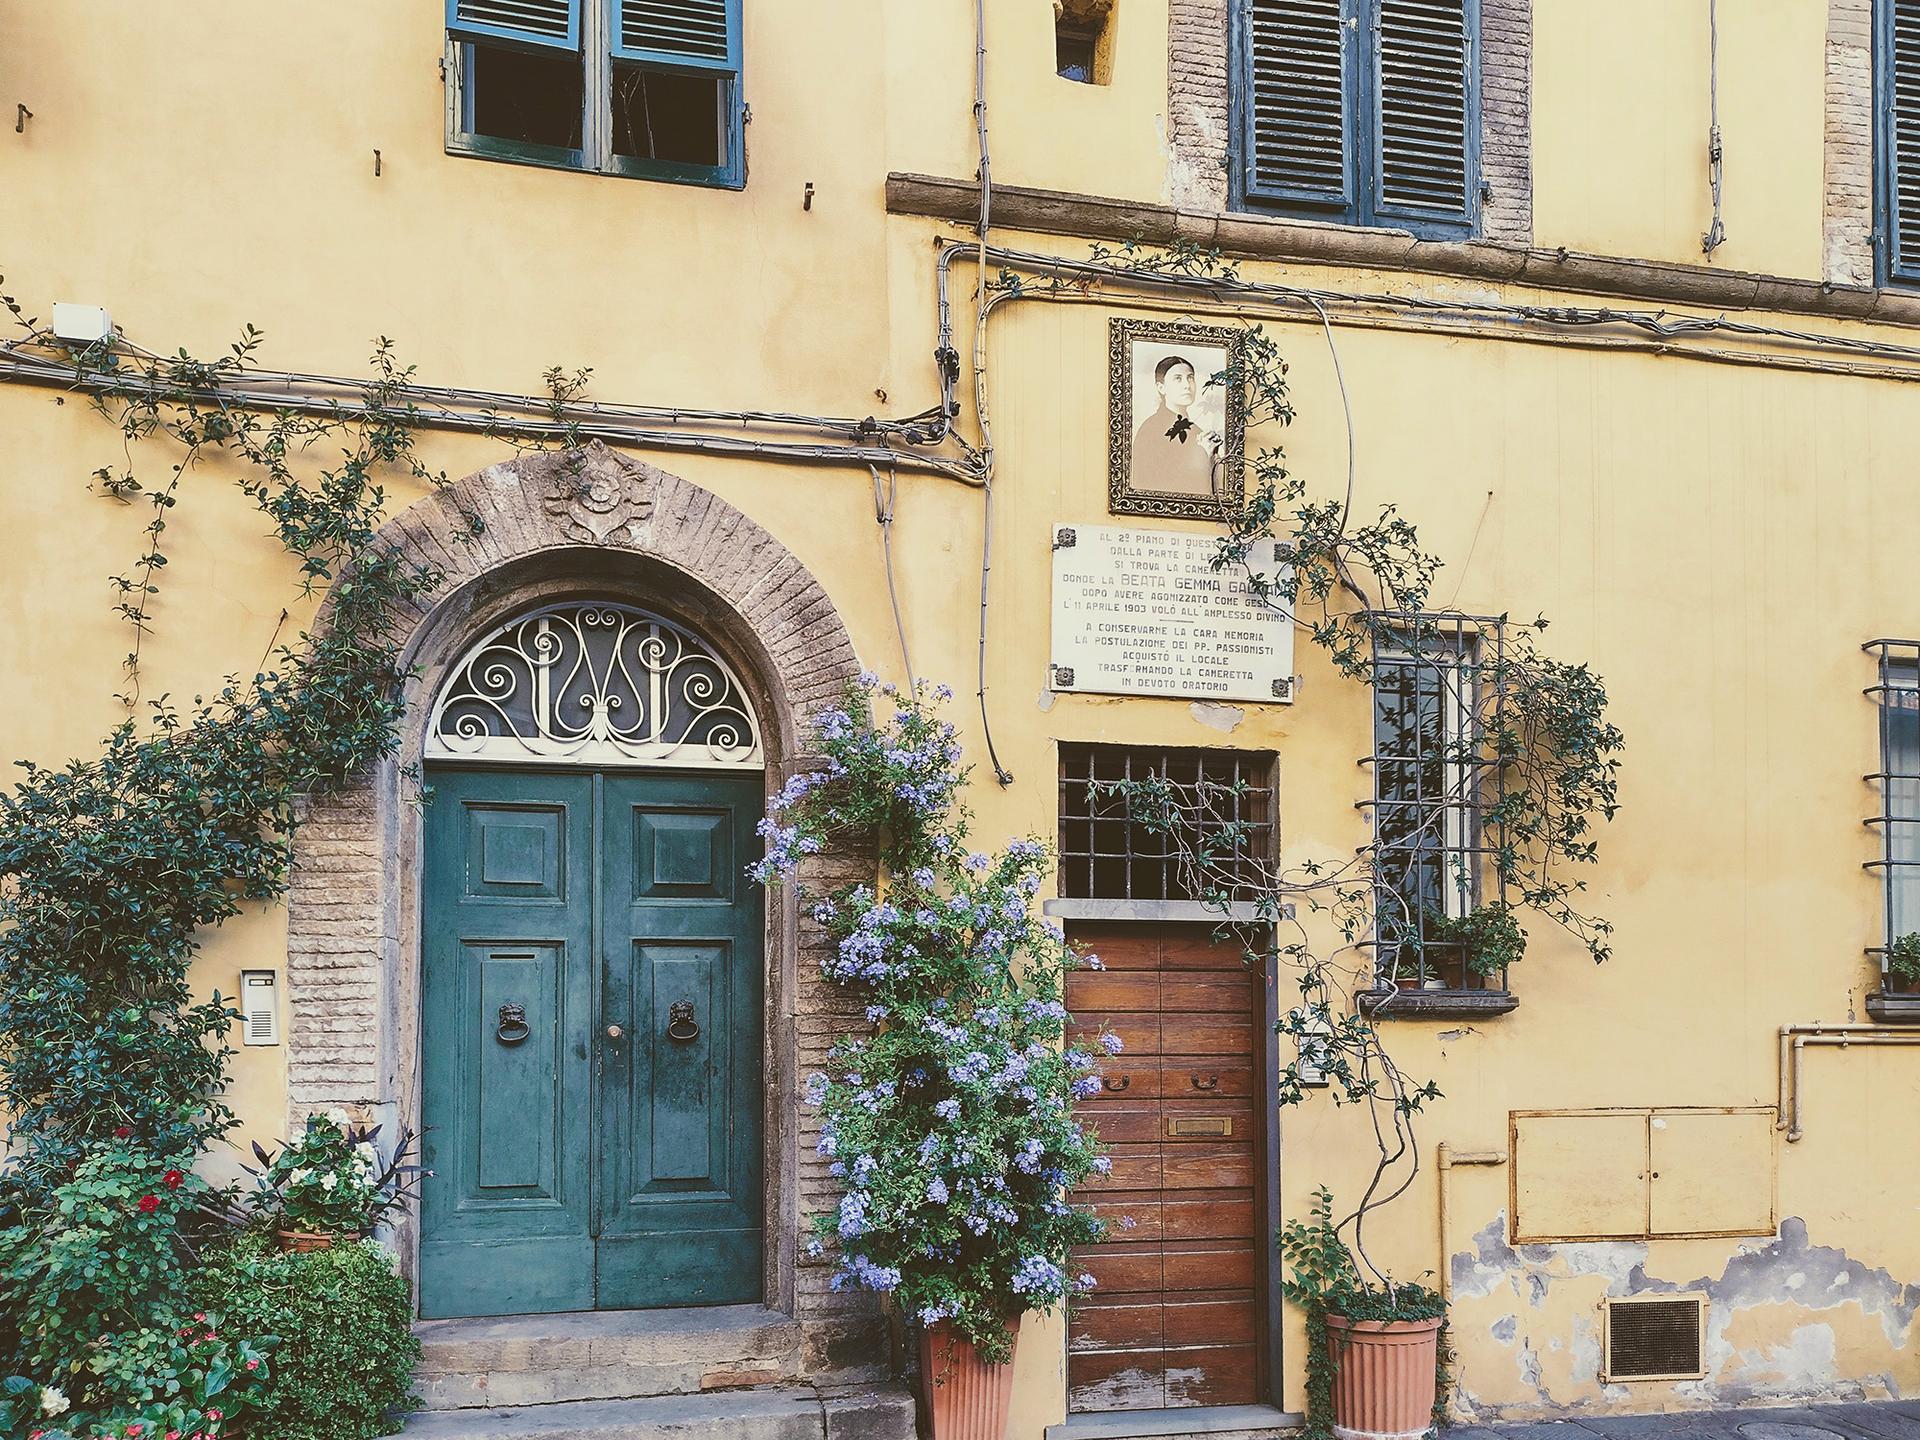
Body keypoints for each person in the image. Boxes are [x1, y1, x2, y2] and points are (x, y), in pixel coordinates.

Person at [1130, 352, 1220, 498]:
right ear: (1161, 387)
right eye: (1177, 379)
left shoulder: (1198, 432)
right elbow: (1156, 482)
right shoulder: (1151, 429)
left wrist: (1212, 457)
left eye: (1190, 378)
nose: (1187, 385)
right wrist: (1204, 455)